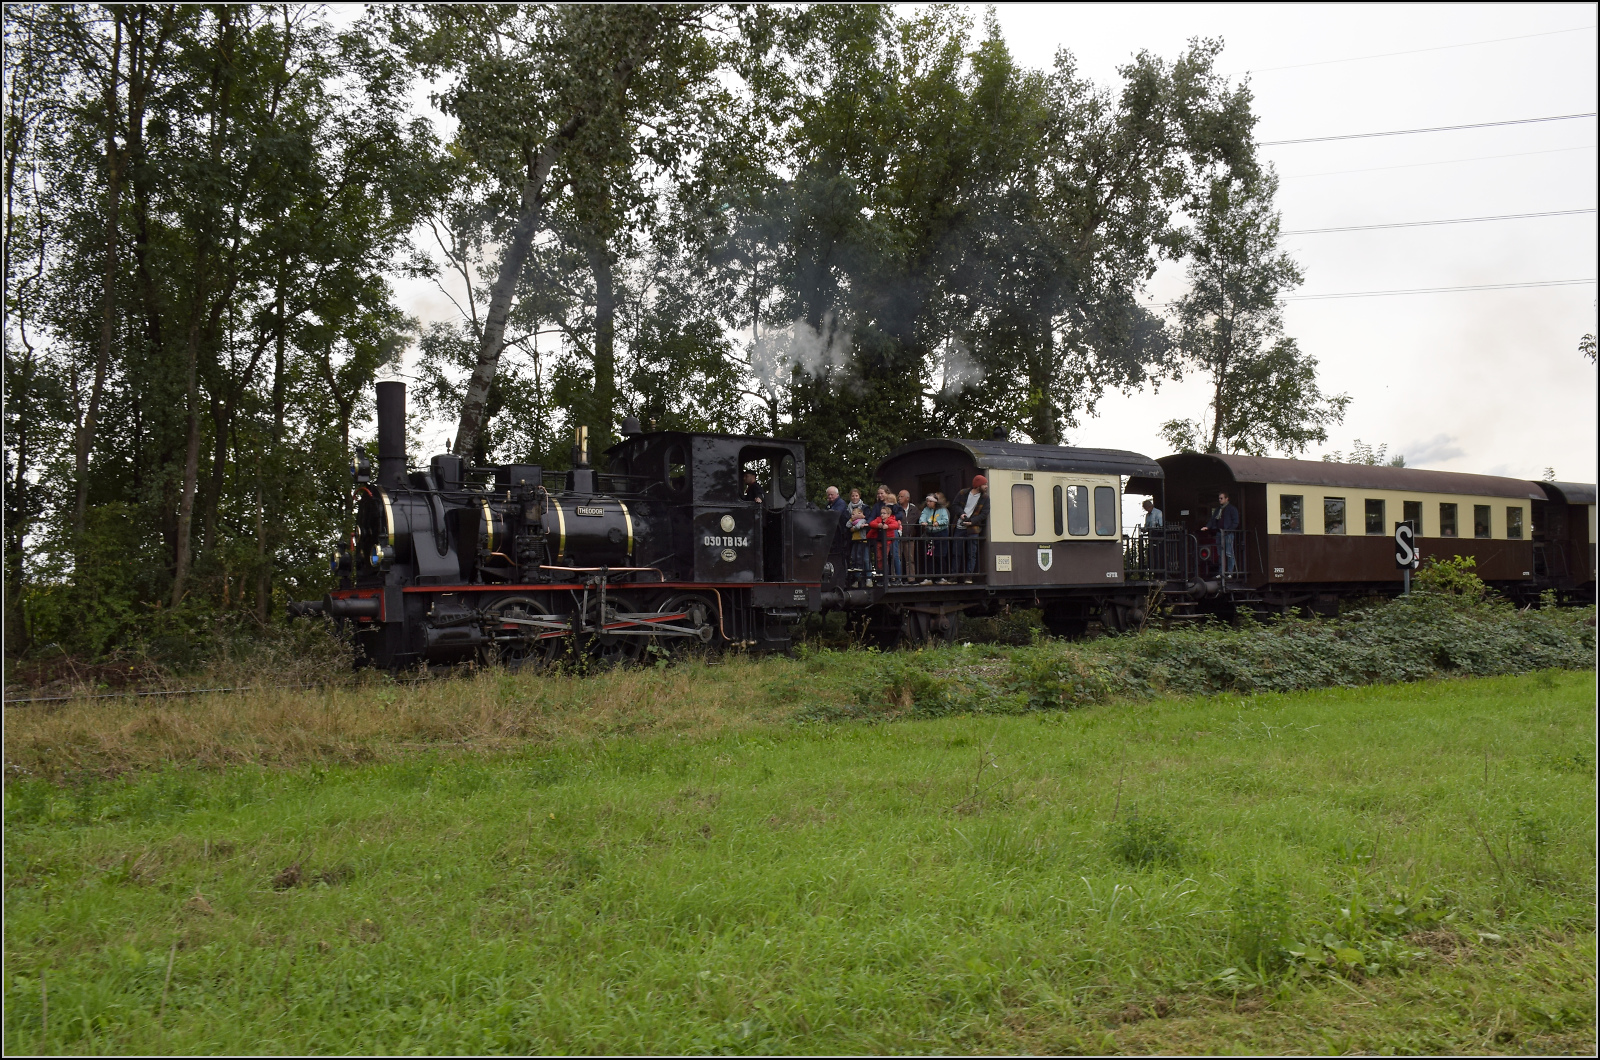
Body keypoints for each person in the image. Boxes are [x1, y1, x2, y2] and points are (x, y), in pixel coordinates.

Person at [954, 474, 989, 581]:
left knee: (972, 553)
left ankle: (969, 577)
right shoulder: (963, 493)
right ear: (978, 485)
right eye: (984, 484)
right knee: (956, 552)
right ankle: (954, 576)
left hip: (973, 528)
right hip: (960, 526)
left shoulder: (985, 498)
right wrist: (961, 514)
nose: (986, 486)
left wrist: (972, 522)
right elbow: (955, 505)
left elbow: (984, 514)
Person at [1202, 490, 1240, 576]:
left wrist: (1228, 530)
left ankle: (1230, 572)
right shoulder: (1218, 509)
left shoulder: (1232, 509)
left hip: (1228, 533)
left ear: (1227, 499)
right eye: (1219, 498)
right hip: (1219, 533)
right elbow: (1213, 520)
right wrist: (1207, 526)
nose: (1220, 500)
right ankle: (1221, 572)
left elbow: (1236, 522)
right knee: (1220, 554)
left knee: (1229, 553)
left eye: (1221, 498)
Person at [918, 493, 949, 582]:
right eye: (927, 501)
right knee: (930, 555)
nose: (928, 503)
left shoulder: (942, 510)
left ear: (935, 502)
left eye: (930, 501)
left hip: (941, 534)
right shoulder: (926, 510)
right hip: (931, 534)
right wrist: (923, 522)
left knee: (940, 555)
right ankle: (929, 577)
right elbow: (922, 519)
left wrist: (938, 522)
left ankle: (941, 577)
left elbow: (946, 520)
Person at [868, 502, 901, 583]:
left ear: (889, 514)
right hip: (879, 540)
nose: (882, 515)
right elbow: (871, 523)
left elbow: (895, 525)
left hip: (887, 541)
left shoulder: (891, 519)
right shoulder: (878, 519)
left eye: (884, 513)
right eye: (881, 513)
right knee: (879, 558)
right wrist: (878, 525)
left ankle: (886, 576)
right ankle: (880, 575)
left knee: (885, 558)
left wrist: (888, 526)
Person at [846, 489, 870, 586]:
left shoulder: (865, 507)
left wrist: (861, 518)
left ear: (859, 496)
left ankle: (869, 578)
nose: (854, 497)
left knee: (865, 558)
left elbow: (867, 520)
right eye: (852, 496)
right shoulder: (848, 509)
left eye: (856, 495)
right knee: (855, 558)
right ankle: (857, 578)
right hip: (853, 539)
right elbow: (847, 523)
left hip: (863, 537)